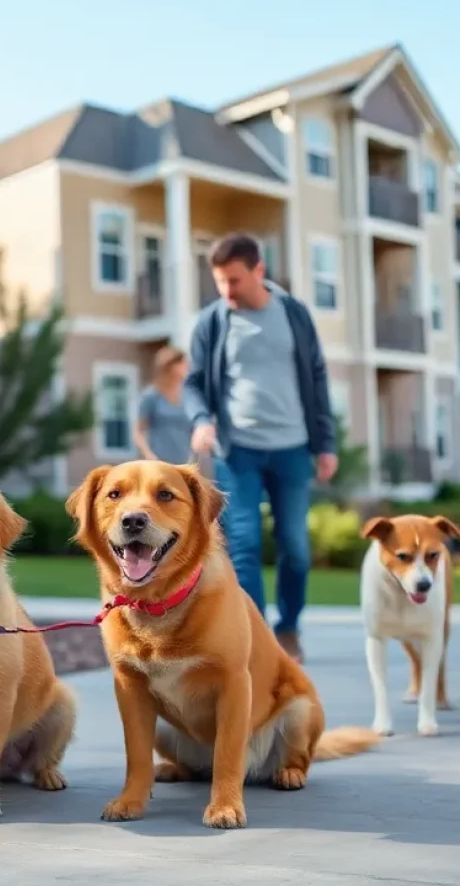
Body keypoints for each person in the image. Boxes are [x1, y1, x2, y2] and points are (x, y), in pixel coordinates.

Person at [183, 232, 338, 663]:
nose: (226, 291)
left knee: (295, 546)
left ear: (259, 270)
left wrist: (325, 443)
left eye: (234, 280)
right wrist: (201, 420)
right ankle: (258, 636)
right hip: (240, 449)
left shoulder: (293, 314)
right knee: (245, 544)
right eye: (219, 282)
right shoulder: (213, 322)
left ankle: (289, 627)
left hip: (292, 447)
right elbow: (194, 383)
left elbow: (317, 375)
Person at [133, 345, 193, 464]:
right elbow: (138, 432)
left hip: (183, 465)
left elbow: (192, 432)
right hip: (158, 463)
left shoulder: (188, 396)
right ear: (169, 366)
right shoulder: (151, 396)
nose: (187, 367)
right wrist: (148, 455)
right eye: (182, 363)